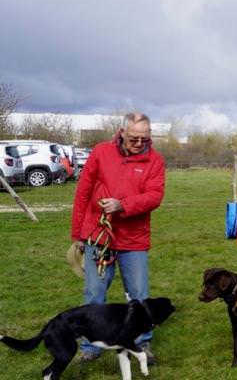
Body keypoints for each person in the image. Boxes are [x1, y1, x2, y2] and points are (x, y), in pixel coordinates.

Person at [70, 112, 165, 363]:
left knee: (139, 294)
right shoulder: (100, 152)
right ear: (122, 132)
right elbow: (83, 193)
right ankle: (91, 344)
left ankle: (142, 342)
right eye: (134, 138)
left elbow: (155, 196)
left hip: (134, 240)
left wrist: (123, 205)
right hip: (98, 236)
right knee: (94, 293)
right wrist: (79, 233)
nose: (138, 143)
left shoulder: (154, 160)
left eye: (144, 139)